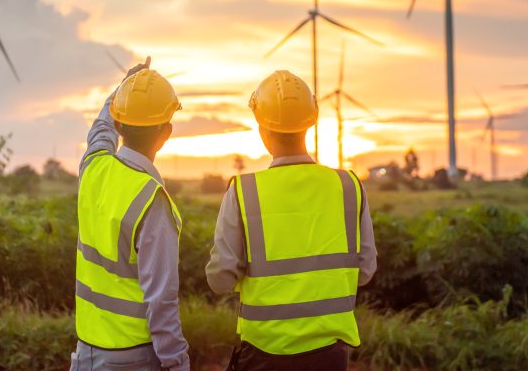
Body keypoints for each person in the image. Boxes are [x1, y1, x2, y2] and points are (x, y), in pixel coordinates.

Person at [205, 70, 377, 371]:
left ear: (261, 128)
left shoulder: (244, 192)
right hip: (330, 357)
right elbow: (365, 272)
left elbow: (220, 280)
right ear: (311, 121)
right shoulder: (349, 186)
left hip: (263, 355)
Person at [71, 56, 190, 371]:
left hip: (85, 354)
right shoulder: (152, 201)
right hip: (132, 359)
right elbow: (161, 304)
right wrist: (178, 364)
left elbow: (99, 129)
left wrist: (122, 89)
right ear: (167, 133)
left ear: (119, 123)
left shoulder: (92, 167)